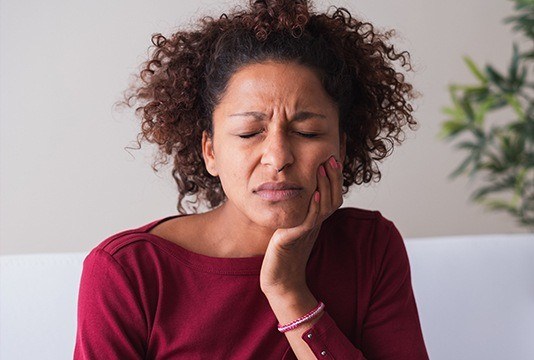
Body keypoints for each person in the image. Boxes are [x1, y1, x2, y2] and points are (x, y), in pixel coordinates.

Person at [74, 0, 429, 358]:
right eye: (248, 133)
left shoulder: (369, 248)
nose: (278, 158)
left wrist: (288, 290)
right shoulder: (128, 273)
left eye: (307, 132)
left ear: (342, 146)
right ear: (210, 152)